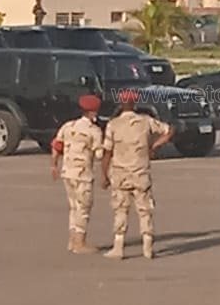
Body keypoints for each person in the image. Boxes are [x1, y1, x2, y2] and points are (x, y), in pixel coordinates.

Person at [101, 89, 173, 260]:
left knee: (120, 210)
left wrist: (104, 175)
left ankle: (118, 247)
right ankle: (147, 246)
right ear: (135, 104)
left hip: (120, 174)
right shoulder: (146, 121)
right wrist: (154, 146)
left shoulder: (113, 125)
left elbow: (107, 152)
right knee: (145, 210)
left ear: (121, 104)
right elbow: (169, 130)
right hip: (141, 173)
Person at [51, 94, 103, 253]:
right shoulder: (94, 131)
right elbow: (99, 154)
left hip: (67, 172)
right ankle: (80, 243)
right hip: (83, 174)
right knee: (83, 208)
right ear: (93, 112)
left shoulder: (68, 126)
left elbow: (57, 146)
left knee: (73, 207)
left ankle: (72, 240)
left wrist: (54, 165)